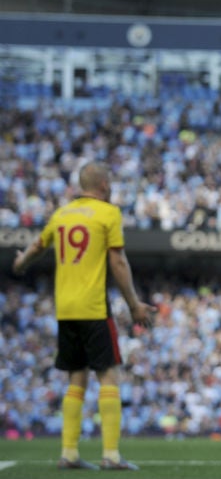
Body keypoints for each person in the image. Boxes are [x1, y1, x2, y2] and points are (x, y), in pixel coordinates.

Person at [11, 161, 156, 471]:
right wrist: (134, 305)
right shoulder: (108, 213)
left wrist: (21, 263)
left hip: (65, 308)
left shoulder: (61, 214)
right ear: (104, 185)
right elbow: (117, 261)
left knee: (76, 377)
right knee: (108, 375)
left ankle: (69, 452)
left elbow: (37, 246)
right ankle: (111, 455)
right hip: (92, 306)